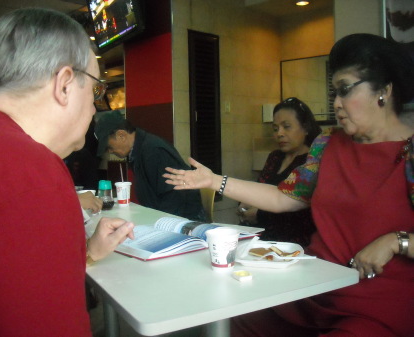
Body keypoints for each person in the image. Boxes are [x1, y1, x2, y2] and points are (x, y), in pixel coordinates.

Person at [164, 33, 414, 336]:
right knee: (236, 319)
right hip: (315, 287)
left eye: (345, 90)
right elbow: (285, 198)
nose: (336, 103)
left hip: (376, 303)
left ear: (384, 90)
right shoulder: (328, 144)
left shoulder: (409, 153)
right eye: (333, 93)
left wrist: (397, 242)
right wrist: (215, 180)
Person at [0, 8, 134, 336]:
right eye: (96, 90)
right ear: (65, 84)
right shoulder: (31, 174)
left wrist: (85, 253)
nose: (94, 107)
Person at [95, 111, 206, 221]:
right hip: (163, 216)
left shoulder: (153, 151)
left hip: (184, 221)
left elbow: (174, 196)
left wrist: (160, 226)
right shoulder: (138, 150)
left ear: (121, 135)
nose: (109, 151)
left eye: (109, 146)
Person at [238, 97, 320, 246]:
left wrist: (260, 214)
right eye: (275, 129)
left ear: (306, 127)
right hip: (261, 238)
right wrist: (245, 203)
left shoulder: (311, 162)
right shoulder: (275, 157)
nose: (279, 133)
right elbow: (259, 189)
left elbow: (304, 214)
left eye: (286, 126)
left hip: (294, 244)